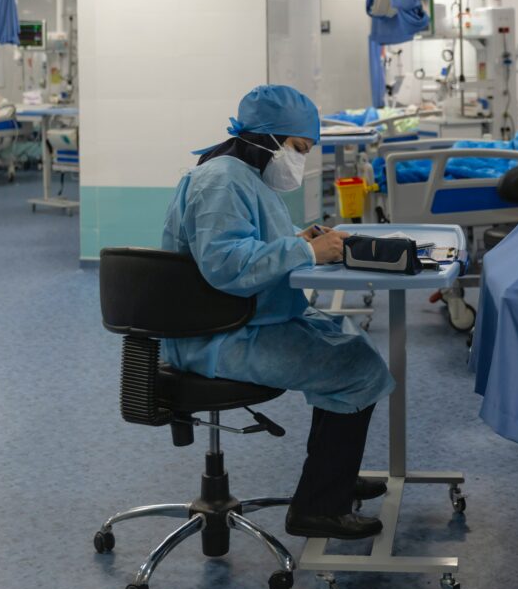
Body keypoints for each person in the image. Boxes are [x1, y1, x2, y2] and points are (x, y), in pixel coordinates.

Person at [162, 85, 394, 540]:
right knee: (356, 369)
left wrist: (300, 239)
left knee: (349, 342)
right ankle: (319, 507)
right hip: (219, 337)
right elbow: (225, 265)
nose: (300, 160)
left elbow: (253, 240)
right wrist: (306, 253)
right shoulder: (222, 180)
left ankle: (333, 477)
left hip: (242, 319)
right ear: (269, 138)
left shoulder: (242, 176)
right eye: (299, 148)